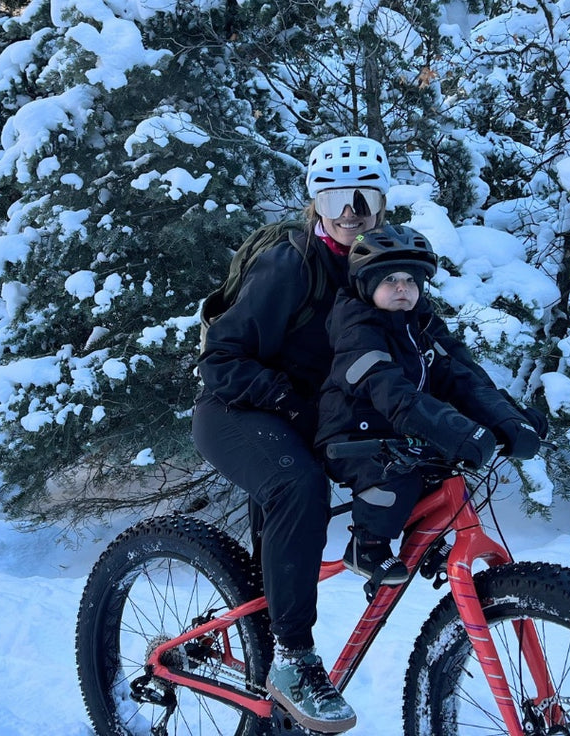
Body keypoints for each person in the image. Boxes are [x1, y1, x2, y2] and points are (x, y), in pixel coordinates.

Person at [193, 135, 391, 733]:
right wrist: (287, 399)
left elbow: (418, 355)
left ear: (383, 205)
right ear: (315, 204)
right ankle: (293, 659)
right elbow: (220, 359)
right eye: (336, 199)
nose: (352, 212)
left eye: (366, 198)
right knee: (299, 487)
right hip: (236, 408)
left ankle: (267, 693)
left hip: (309, 416)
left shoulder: (386, 270)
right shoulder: (288, 262)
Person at [316, 224, 543, 587]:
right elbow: (384, 384)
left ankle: (423, 541)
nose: (403, 287)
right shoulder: (356, 326)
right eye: (390, 279)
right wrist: (448, 426)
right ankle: (367, 546)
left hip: (402, 432)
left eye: (411, 279)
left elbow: (463, 376)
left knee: (439, 471)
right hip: (351, 435)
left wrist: (508, 418)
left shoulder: (421, 324)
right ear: (366, 285)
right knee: (395, 475)